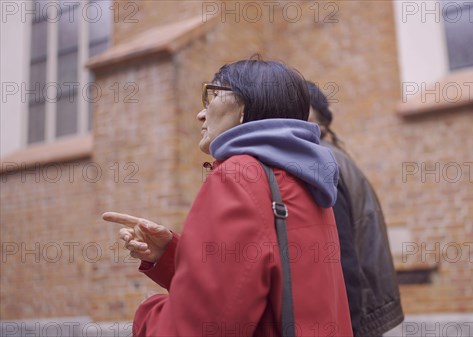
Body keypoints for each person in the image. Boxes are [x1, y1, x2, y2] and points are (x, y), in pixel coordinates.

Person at [102, 58, 353, 337]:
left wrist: (146, 314)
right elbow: (262, 286)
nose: (200, 113)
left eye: (213, 95)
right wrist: (170, 255)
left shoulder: (238, 176)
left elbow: (201, 328)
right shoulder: (306, 179)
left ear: (245, 108)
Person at [306, 81, 404, 337]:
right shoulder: (335, 154)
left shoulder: (321, 160)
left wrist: (349, 324)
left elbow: (342, 253)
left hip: (355, 315)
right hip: (365, 308)